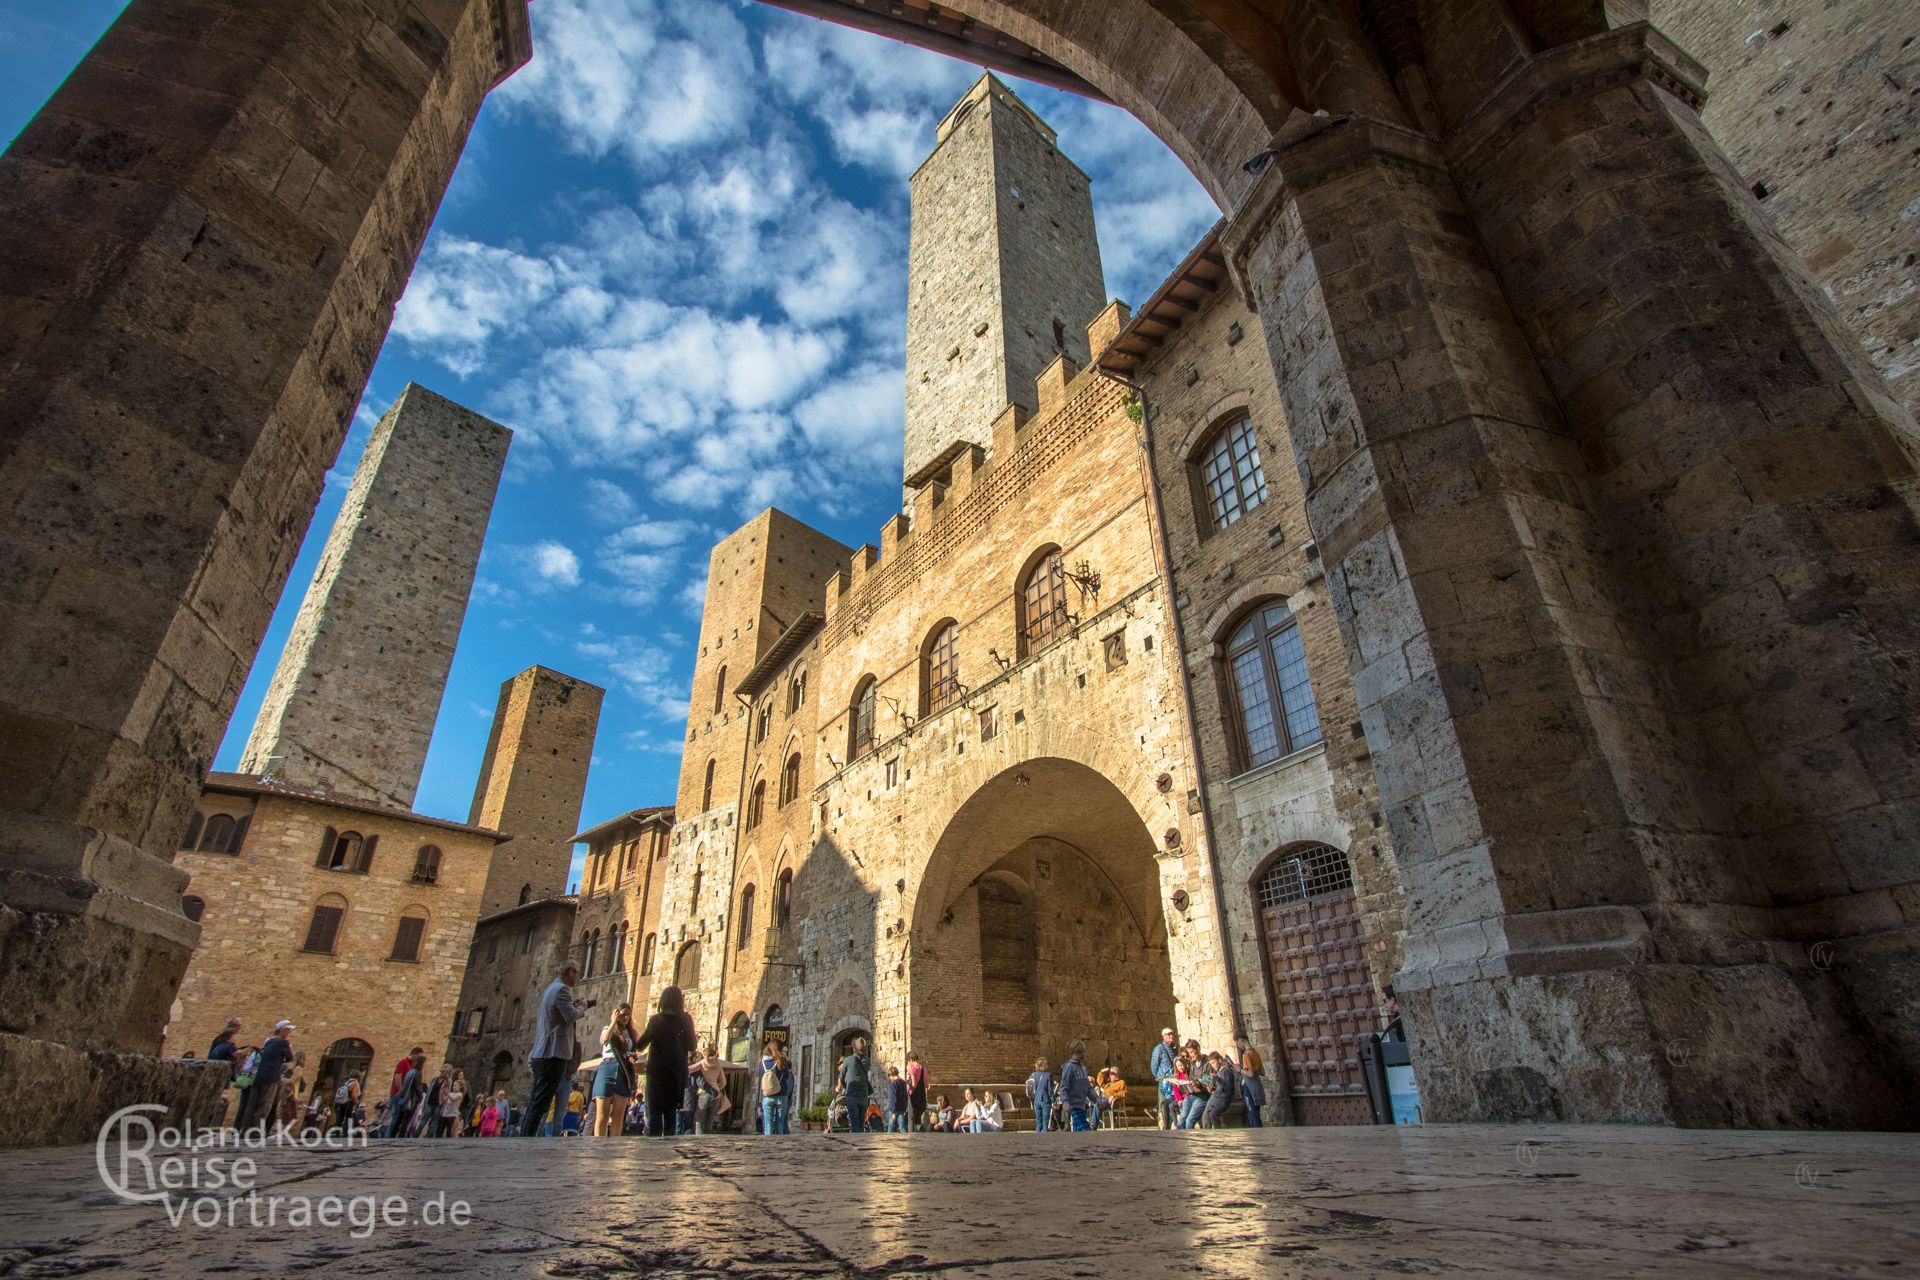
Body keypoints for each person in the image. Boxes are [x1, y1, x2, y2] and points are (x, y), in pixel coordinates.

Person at [520, 960, 592, 1136]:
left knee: (537, 1100)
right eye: (575, 972)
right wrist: (582, 1007)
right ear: (569, 972)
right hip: (553, 1053)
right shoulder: (562, 990)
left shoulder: (551, 989)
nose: (577, 976)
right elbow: (570, 1016)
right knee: (540, 1101)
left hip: (543, 1052)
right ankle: (526, 1138)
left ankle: (525, 1136)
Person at [633, 985, 697, 1138]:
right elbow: (692, 1045)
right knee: (670, 1114)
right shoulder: (685, 1020)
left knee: (654, 1113)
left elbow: (640, 1045)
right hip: (676, 1072)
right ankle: (668, 1149)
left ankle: (653, 1150)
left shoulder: (656, 1020)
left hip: (657, 1072)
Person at [242, 1020, 296, 1132]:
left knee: (252, 1103)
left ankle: (245, 1128)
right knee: (265, 1104)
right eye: (287, 1030)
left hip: (259, 1075)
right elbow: (290, 1057)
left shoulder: (268, 1041)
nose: (289, 1032)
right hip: (272, 1075)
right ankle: (256, 1130)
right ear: (281, 1030)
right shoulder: (283, 1042)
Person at [593, 1002, 638, 1136]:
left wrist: (634, 1056)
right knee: (602, 1115)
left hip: (623, 1068)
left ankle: (614, 1145)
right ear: (616, 1014)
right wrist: (613, 1022)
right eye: (623, 1014)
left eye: (628, 1015)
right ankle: (598, 1146)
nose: (625, 1018)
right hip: (607, 1065)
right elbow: (604, 1040)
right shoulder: (608, 1028)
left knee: (618, 1115)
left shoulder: (631, 1033)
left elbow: (636, 1048)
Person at [387, 1048, 428, 1137]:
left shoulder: (411, 1069)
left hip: (404, 1096)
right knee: (398, 1119)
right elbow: (398, 1077)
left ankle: (391, 1136)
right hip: (401, 1095)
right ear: (415, 1054)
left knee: (398, 1118)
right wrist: (402, 1091)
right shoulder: (405, 1064)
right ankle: (391, 1137)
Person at [693, 1041, 730, 1134]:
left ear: (705, 1055)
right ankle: (707, 1140)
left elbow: (689, 1069)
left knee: (700, 1120)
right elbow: (724, 1082)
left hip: (704, 1092)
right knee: (710, 1121)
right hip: (716, 1094)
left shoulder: (702, 1063)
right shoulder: (718, 1065)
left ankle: (699, 1140)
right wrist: (717, 1087)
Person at [839, 1037, 873, 1133]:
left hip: (852, 1095)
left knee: (854, 1123)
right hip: (863, 1095)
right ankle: (861, 1142)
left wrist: (845, 1087)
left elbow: (841, 1077)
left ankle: (856, 1144)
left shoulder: (848, 1060)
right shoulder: (867, 1061)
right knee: (861, 1123)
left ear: (854, 1048)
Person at [758, 1041, 792, 1136]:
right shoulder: (781, 1061)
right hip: (781, 1095)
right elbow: (786, 1077)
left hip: (767, 1096)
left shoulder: (763, 1063)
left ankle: (768, 1143)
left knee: (768, 1123)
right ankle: (779, 1144)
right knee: (779, 1123)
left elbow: (761, 1077)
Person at [1060, 1041, 1093, 1132]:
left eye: (1082, 1052)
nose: (1081, 1055)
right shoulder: (1069, 1067)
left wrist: (1096, 1100)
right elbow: (1063, 1087)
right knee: (1085, 1128)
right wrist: (1065, 1101)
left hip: (1082, 1105)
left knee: (1078, 1130)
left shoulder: (1083, 1069)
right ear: (1073, 1053)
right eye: (1078, 1053)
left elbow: (1088, 1088)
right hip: (1073, 1105)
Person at [1150, 1028, 1180, 1130]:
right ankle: (1163, 1125)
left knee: (1172, 1103)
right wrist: (1160, 1078)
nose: (1171, 1036)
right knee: (1163, 1104)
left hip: (1174, 1081)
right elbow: (1154, 1065)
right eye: (1168, 1034)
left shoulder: (1175, 1049)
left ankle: (1172, 1123)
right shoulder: (1159, 1048)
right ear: (1164, 1036)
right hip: (1164, 1082)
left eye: (1172, 1034)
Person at [1235, 1037, 1266, 1127]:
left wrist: (1239, 1070)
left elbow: (1250, 1074)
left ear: (1241, 1040)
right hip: (1257, 1085)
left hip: (1249, 1086)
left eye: (1238, 1043)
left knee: (1252, 1113)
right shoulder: (1255, 1053)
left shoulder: (1246, 1055)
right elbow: (1262, 1071)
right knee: (1256, 1112)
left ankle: (1257, 1136)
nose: (1238, 1045)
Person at [1203, 1051, 1238, 1129]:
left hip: (1223, 1098)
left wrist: (1217, 1079)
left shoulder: (1226, 1071)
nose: (1213, 1066)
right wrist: (1211, 1087)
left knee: (1213, 1114)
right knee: (1205, 1114)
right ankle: (1206, 1133)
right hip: (1215, 1096)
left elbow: (1228, 1089)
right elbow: (1217, 1086)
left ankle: (1218, 1132)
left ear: (1219, 1060)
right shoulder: (1218, 1072)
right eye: (1211, 1064)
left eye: (1213, 1063)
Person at [1025, 1057, 1055, 1133]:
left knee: (1038, 1122)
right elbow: (1050, 1090)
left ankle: (1037, 1138)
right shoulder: (1048, 1075)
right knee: (1045, 1122)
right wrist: (1054, 1101)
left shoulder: (1033, 1075)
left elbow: (1030, 1086)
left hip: (1036, 1101)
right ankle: (1044, 1140)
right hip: (1045, 1100)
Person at [904, 1050, 928, 1132]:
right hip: (922, 1096)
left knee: (911, 1117)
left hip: (913, 1096)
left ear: (911, 1060)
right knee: (918, 1117)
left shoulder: (912, 1069)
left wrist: (906, 1082)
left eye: (908, 1061)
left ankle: (912, 1137)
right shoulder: (924, 1069)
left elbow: (913, 1085)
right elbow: (926, 1085)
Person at [440, 1070, 467, 1138]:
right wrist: (444, 1093)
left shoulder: (460, 1094)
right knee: (441, 1129)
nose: (454, 1087)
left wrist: (447, 1093)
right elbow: (444, 1099)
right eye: (453, 1085)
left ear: (460, 1087)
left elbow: (453, 1099)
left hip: (452, 1114)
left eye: (455, 1085)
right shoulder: (451, 1093)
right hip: (446, 1113)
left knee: (450, 1130)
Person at [883, 1066, 910, 1133]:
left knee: (891, 1126)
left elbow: (893, 1098)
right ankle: (905, 1139)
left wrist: (893, 1112)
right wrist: (905, 1108)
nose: (889, 1079)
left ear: (891, 1075)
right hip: (902, 1108)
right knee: (901, 1126)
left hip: (894, 1109)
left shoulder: (893, 1083)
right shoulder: (903, 1082)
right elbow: (905, 1096)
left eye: (889, 1077)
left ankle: (889, 1140)